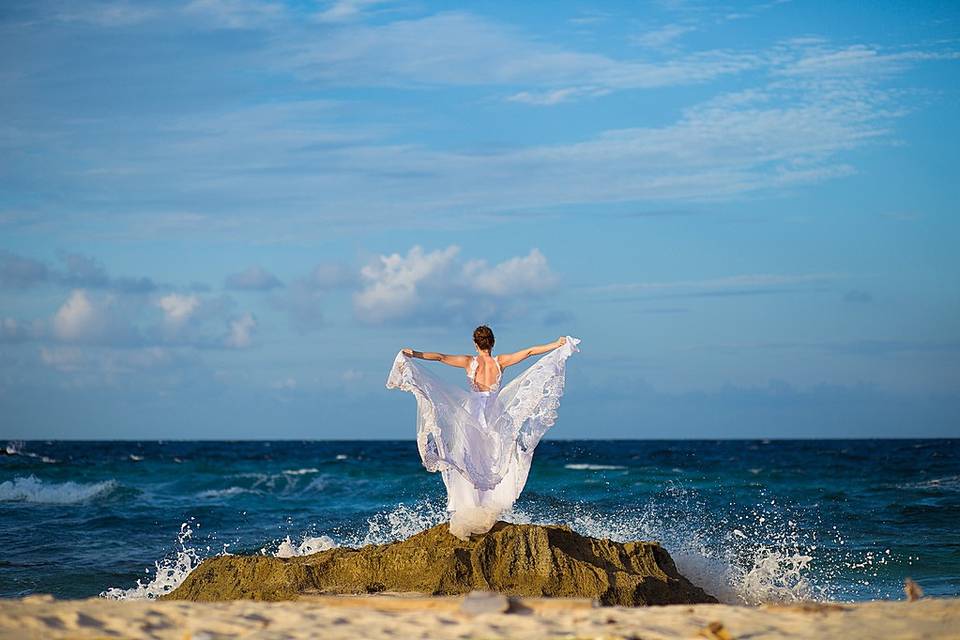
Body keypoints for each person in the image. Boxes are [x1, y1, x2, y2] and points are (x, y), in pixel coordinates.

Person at [386, 325, 580, 539]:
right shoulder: (500, 361)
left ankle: (471, 506)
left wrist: (414, 353)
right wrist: (556, 344)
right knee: (493, 458)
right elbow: (530, 352)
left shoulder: (470, 362)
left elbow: (440, 357)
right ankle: (488, 506)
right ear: (493, 342)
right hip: (495, 416)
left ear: (475, 343)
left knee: (469, 458)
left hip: (472, 416)